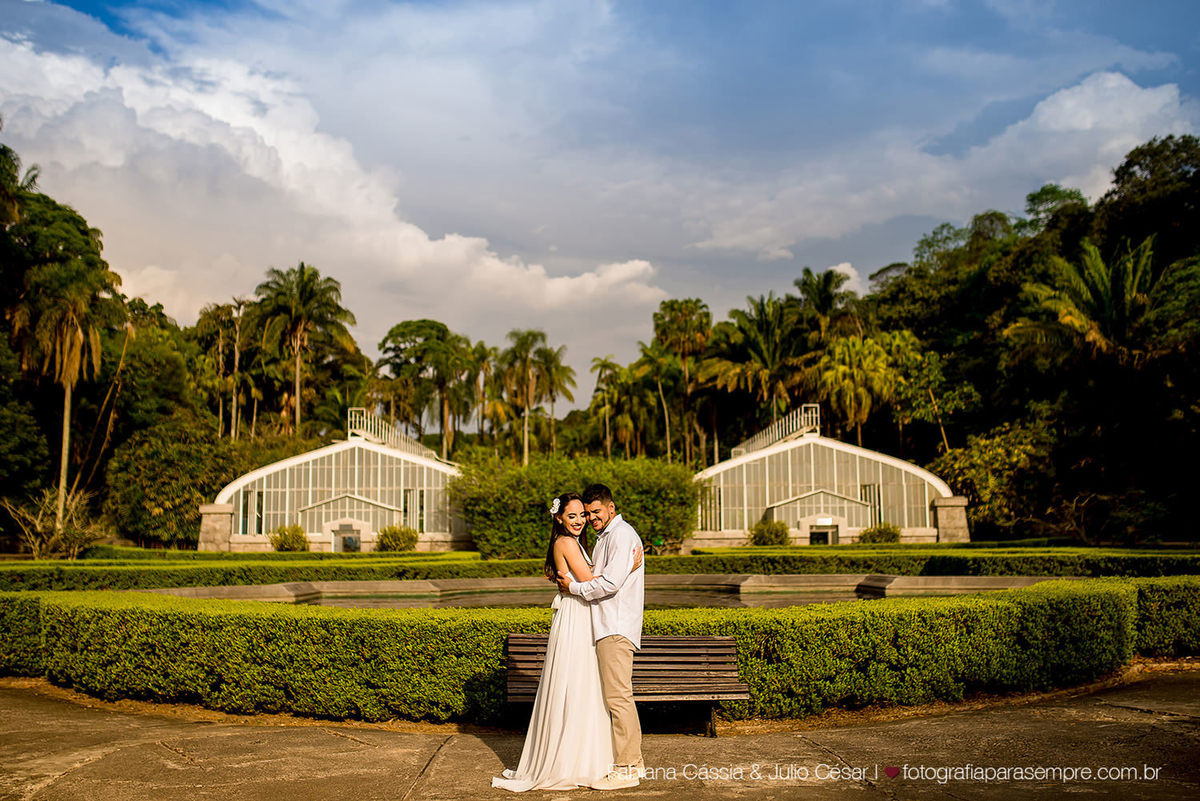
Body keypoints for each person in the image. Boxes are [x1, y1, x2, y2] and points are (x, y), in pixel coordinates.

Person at [492, 492, 640, 792]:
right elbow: (592, 580)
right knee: (577, 687)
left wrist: (623, 568)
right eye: (573, 516)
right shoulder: (567, 543)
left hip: (583, 616)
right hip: (577, 618)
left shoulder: (584, 541)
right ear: (558, 518)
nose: (581, 521)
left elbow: (595, 580)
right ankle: (577, 761)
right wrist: (629, 567)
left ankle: (597, 759)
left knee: (586, 689)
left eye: (583, 515)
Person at [556, 483, 646, 790]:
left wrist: (574, 588)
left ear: (611, 507)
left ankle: (627, 766)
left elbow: (607, 584)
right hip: (607, 625)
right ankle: (633, 761)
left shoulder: (621, 535)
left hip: (616, 626)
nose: (591, 518)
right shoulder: (605, 537)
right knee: (616, 696)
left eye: (595, 512)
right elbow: (604, 574)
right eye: (586, 513)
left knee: (618, 697)